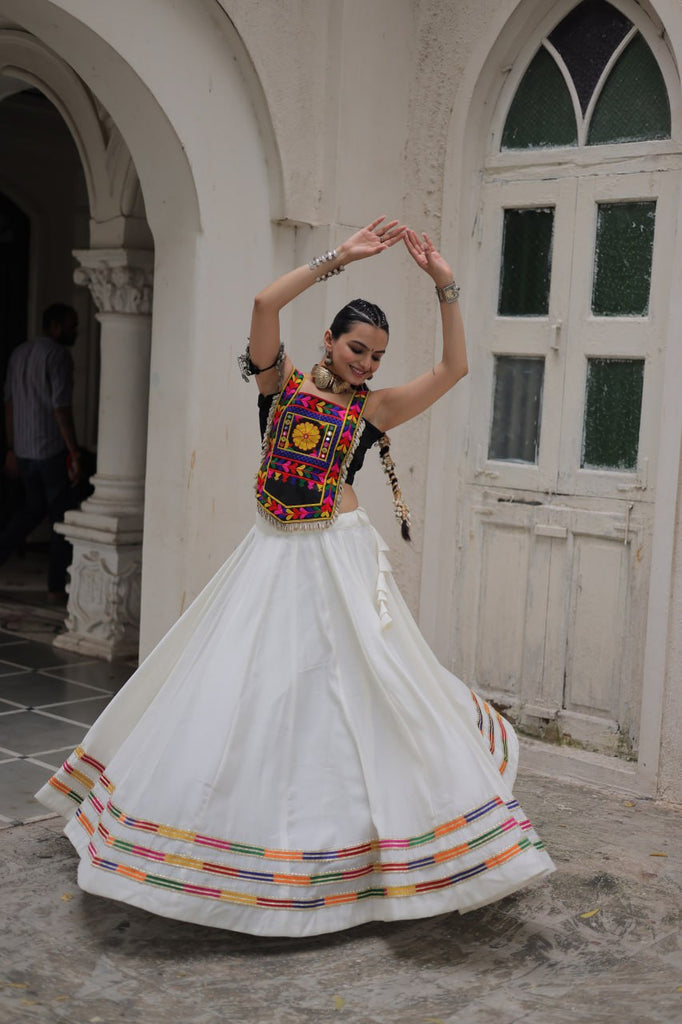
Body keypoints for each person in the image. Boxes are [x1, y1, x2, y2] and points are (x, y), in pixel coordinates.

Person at [36, 218, 554, 937]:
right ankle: (244, 851)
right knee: (255, 694)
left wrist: (446, 286)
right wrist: (339, 258)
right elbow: (262, 306)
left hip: (338, 557)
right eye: (356, 349)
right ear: (330, 343)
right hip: (272, 556)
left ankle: (363, 849)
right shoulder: (278, 388)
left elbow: (454, 369)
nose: (366, 364)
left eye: (375, 356)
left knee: (358, 694)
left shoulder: (371, 410)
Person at [1, 303, 83, 601]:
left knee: (31, 511)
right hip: (49, 450)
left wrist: (11, 448)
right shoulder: (58, 355)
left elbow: (9, 404)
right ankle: (55, 587)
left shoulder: (19, 353)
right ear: (56, 327)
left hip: (24, 450)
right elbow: (60, 405)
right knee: (61, 518)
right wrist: (73, 450)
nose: (77, 332)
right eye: (72, 326)